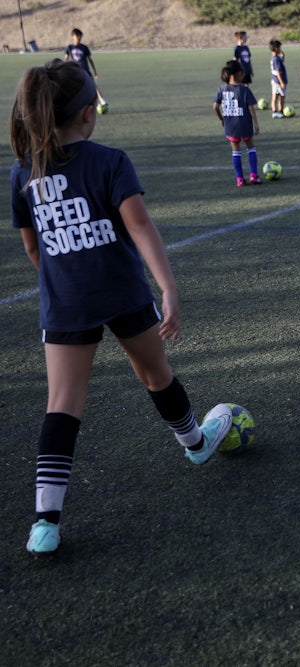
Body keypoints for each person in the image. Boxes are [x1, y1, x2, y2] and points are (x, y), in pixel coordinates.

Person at [8, 60, 233, 556]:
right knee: (156, 374)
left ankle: (44, 524)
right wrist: (168, 288)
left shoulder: (24, 171)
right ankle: (195, 444)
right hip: (123, 294)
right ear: (88, 113)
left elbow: (33, 248)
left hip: (65, 301)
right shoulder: (110, 161)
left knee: (62, 404)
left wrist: (66, 275)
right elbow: (140, 227)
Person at [213, 60, 261, 187]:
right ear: (239, 73)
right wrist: (256, 123)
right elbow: (251, 108)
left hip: (230, 127)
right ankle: (254, 176)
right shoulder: (244, 90)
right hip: (244, 124)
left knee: (236, 152)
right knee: (251, 148)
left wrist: (221, 119)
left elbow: (215, 107)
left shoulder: (221, 89)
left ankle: (239, 179)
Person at [64, 28, 107, 107]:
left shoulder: (84, 48)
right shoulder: (69, 48)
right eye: (77, 36)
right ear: (73, 36)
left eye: (80, 37)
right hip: (75, 72)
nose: (79, 38)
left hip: (85, 71)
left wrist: (95, 72)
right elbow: (65, 60)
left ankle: (102, 101)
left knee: (93, 85)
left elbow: (90, 60)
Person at [269, 38, 287, 119]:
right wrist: (282, 82)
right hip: (278, 81)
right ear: (276, 49)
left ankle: (276, 111)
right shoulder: (276, 59)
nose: (280, 49)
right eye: (280, 48)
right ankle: (278, 111)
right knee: (280, 97)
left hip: (275, 80)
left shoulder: (276, 58)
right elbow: (278, 72)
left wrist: (283, 57)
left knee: (275, 96)